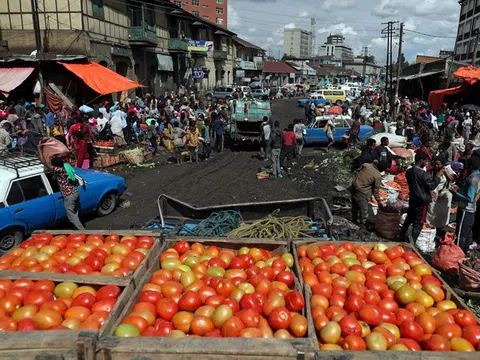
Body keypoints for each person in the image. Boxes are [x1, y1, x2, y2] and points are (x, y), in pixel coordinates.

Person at [399, 151, 442, 243]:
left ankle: (401, 235)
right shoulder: (423, 174)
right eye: (425, 161)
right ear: (422, 161)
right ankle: (412, 242)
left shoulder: (409, 171)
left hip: (413, 198)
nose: (426, 163)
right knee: (418, 223)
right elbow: (432, 186)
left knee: (409, 217)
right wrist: (438, 176)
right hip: (422, 201)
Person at [453, 157, 480, 253]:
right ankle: (464, 251)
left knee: (460, 234)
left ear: (471, 166)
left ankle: (456, 254)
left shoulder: (472, 179)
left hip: (466, 209)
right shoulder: (477, 176)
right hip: (472, 210)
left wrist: (456, 193)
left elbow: (470, 198)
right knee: (467, 233)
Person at [51, 157, 85, 230]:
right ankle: (76, 228)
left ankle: (83, 232)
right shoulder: (66, 167)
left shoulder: (60, 170)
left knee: (71, 216)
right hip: (74, 192)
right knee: (75, 213)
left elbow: (47, 165)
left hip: (69, 195)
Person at [351, 161, 388, 227]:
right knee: (364, 210)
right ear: (382, 170)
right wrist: (379, 202)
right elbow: (375, 191)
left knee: (355, 206)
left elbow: (358, 170)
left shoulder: (366, 165)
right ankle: (362, 225)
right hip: (362, 192)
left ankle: (353, 220)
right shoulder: (377, 176)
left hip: (354, 187)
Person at [426, 154, 455, 229]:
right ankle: (430, 226)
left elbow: (452, 179)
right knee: (431, 210)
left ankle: (442, 226)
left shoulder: (447, 170)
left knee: (443, 212)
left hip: (444, 193)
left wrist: (445, 172)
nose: (436, 166)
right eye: (435, 164)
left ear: (442, 164)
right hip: (434, 194)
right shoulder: (432, 171)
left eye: (438, 164)